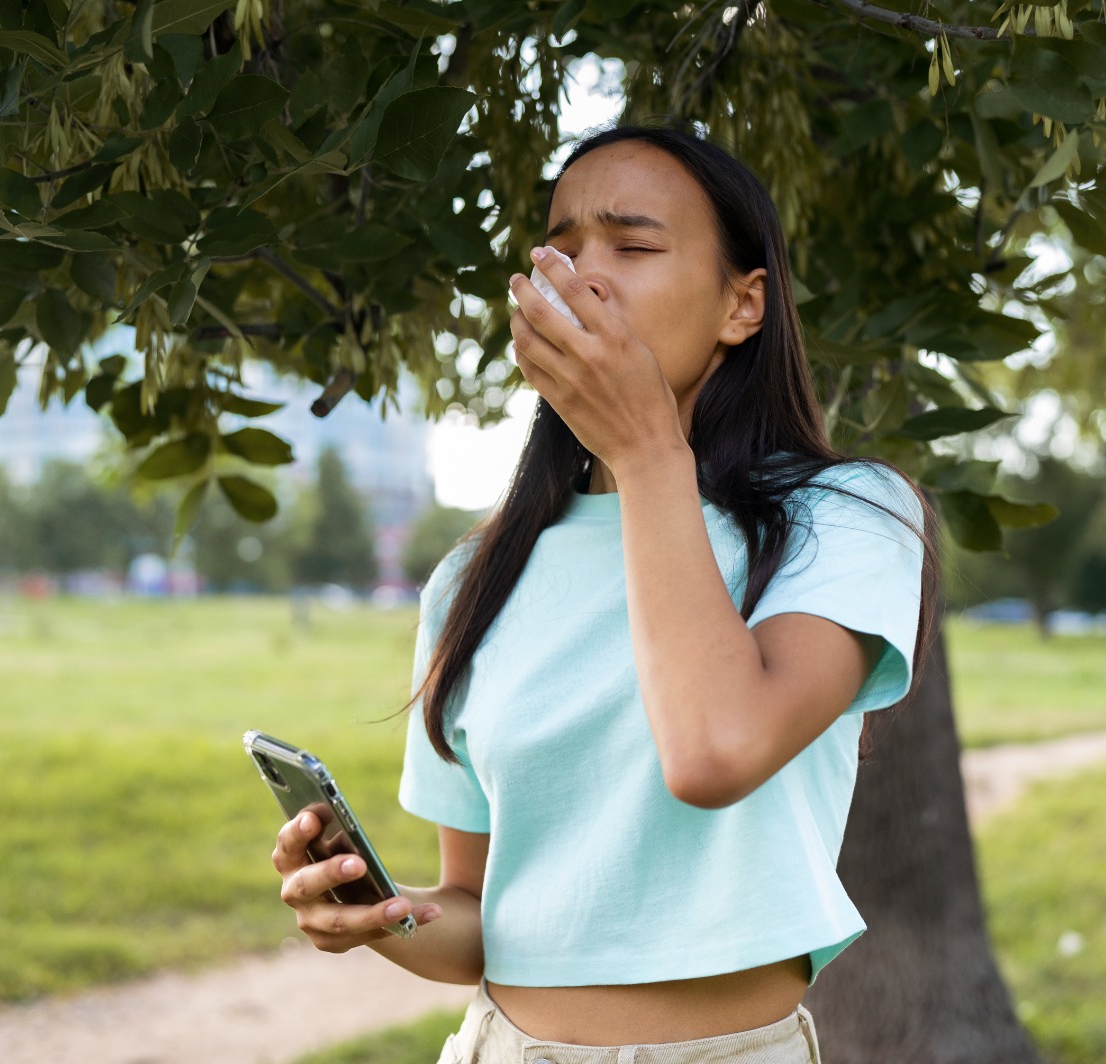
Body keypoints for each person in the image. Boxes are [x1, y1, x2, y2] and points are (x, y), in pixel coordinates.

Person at [271, 121, 939, 1064]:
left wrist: (644, 448)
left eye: (632, 246)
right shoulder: (476, 576)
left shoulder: (846, 515)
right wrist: (388, 917)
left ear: (742, 306)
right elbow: (478, 915)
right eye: (562, 246)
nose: (581, 275)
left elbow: (714, 750)